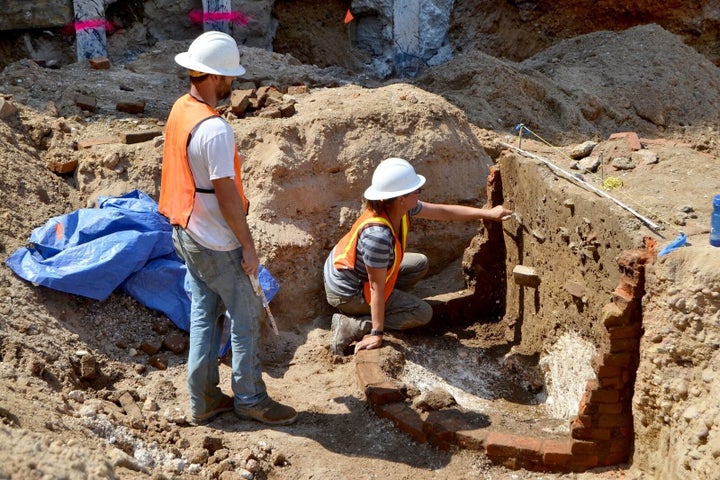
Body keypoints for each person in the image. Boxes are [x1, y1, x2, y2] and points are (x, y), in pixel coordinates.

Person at [158, 31, 297, 426]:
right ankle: (251, 399)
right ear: (216, 77)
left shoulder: (181, 109)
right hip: (216, 239)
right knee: (248, 314)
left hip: (185, 229)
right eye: (229, 78)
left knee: (205, 314)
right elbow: (228, 197)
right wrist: (248, 247)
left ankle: (203, 401)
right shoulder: (215, 130)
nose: (232, 85)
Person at [324, 157, 512, 355]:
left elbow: (443, 212)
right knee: (421, 313)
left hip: (351, 272)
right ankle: (352, 324)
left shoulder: (396, 207)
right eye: (416, 191)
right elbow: (376, 287)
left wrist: (488, 213)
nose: (419, 193)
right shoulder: (377, 237)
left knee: (420, 264)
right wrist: (377, 332)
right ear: (401, 198)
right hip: (348, 292)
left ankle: (384, 307)